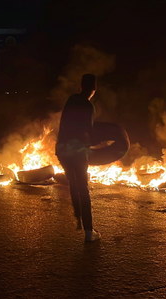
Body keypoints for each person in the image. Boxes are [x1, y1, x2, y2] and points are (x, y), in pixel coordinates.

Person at [55, 74, 101, 242]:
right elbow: (88, 131)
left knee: (73, 182)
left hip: (62, 149)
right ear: (94, 89)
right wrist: (102, 144)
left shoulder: (71, 99)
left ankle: (78, 218)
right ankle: (89, 232)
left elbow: (63, 124)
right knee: (83, 187)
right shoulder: (88, 106)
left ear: (81, 86)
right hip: (77, 151)